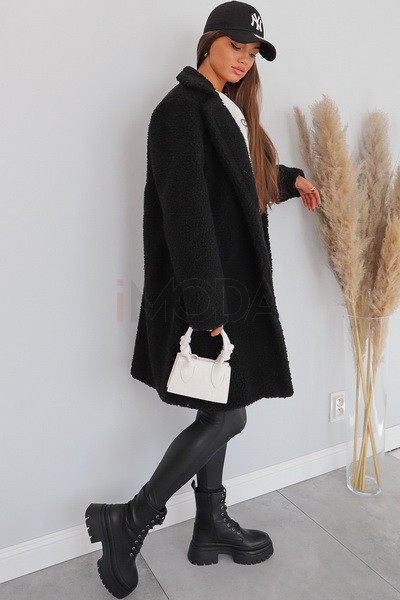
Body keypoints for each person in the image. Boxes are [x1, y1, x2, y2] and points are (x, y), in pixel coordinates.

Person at [85, 1, 322, 597]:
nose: (243, 59)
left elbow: (240, 177)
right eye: (235, 46)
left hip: (228, 286)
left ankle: (210, 526)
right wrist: (206, 310)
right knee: (227, 413)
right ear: (208, 42)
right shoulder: (179, 112)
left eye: (252, 52)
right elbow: (186, 213)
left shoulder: (226, 107)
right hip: (208, 290)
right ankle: (131, 518)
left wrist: (289, 178)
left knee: (220, 406)